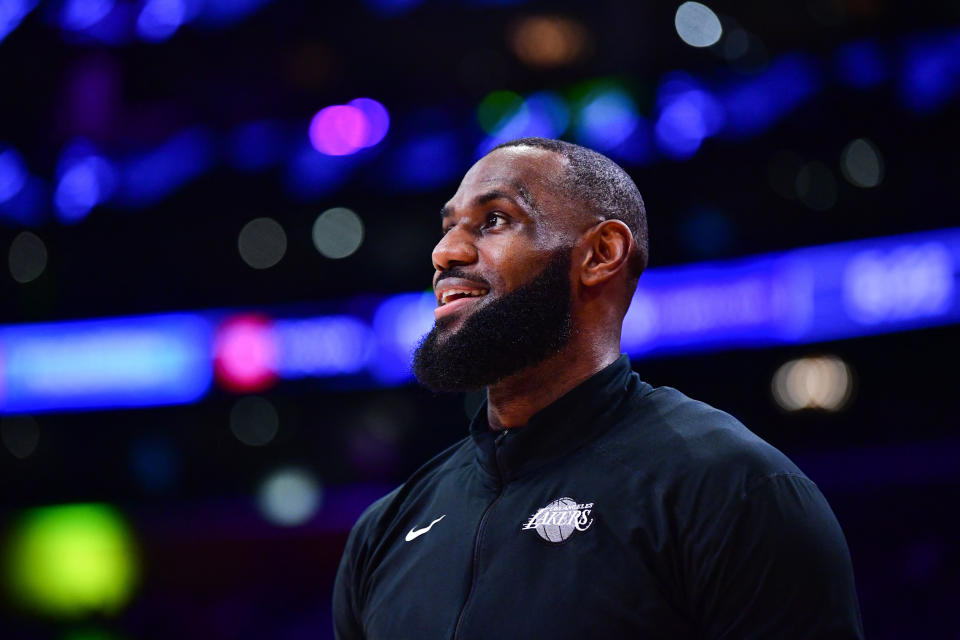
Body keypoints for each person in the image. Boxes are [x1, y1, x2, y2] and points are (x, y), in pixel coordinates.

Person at [333, 137, 864, 639]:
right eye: (448, 227)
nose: (445, 253)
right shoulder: (385, 530)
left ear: (600, 253)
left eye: (493, 221)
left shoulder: (734, 489)